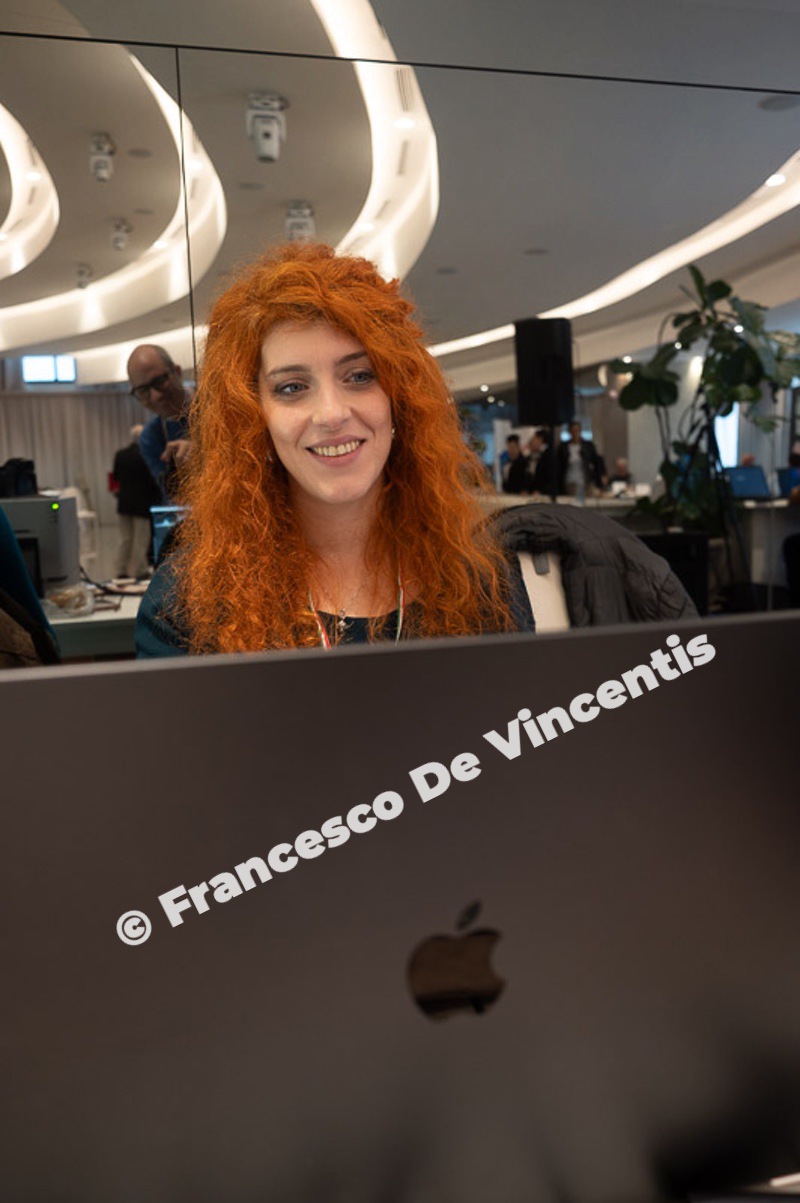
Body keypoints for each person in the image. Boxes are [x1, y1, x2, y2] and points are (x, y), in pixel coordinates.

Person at [136, 242, 534, 657]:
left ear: (400, 399)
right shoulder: (185, 606)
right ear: (253, 419)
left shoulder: (482, 581)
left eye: (359, 376)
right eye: (292, 387)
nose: (331, 414)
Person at [127, 344, 191, 501]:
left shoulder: (216, 409)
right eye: (143, 391)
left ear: (177, 372)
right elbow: (174, 497)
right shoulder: (150, 437)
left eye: (159, 381)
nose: (156, 396)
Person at [109, 426, 161, 579]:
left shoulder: (120, 454)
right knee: (141, 539)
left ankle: (121, 569)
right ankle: (140, 570)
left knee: (125, 538)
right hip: (142, 503)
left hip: (124, 502)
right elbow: (152, 480)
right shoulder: (146, 455)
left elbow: (116, 476)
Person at [557, 420, 606, 497]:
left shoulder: (588, 446)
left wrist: (602, 475)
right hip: (570, 479)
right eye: (573, 431)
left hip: (586, 479)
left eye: (577, 431)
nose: (575, 433)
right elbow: (559, 465)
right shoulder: (563, 447)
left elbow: (597, 461)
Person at [525, 428, 557, 496]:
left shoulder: (548, 457)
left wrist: (541, 491)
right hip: (531, 494)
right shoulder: (530, 458)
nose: (530, 442)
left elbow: (551, 478)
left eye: (534, 439)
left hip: (545, 495)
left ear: (540, 440)